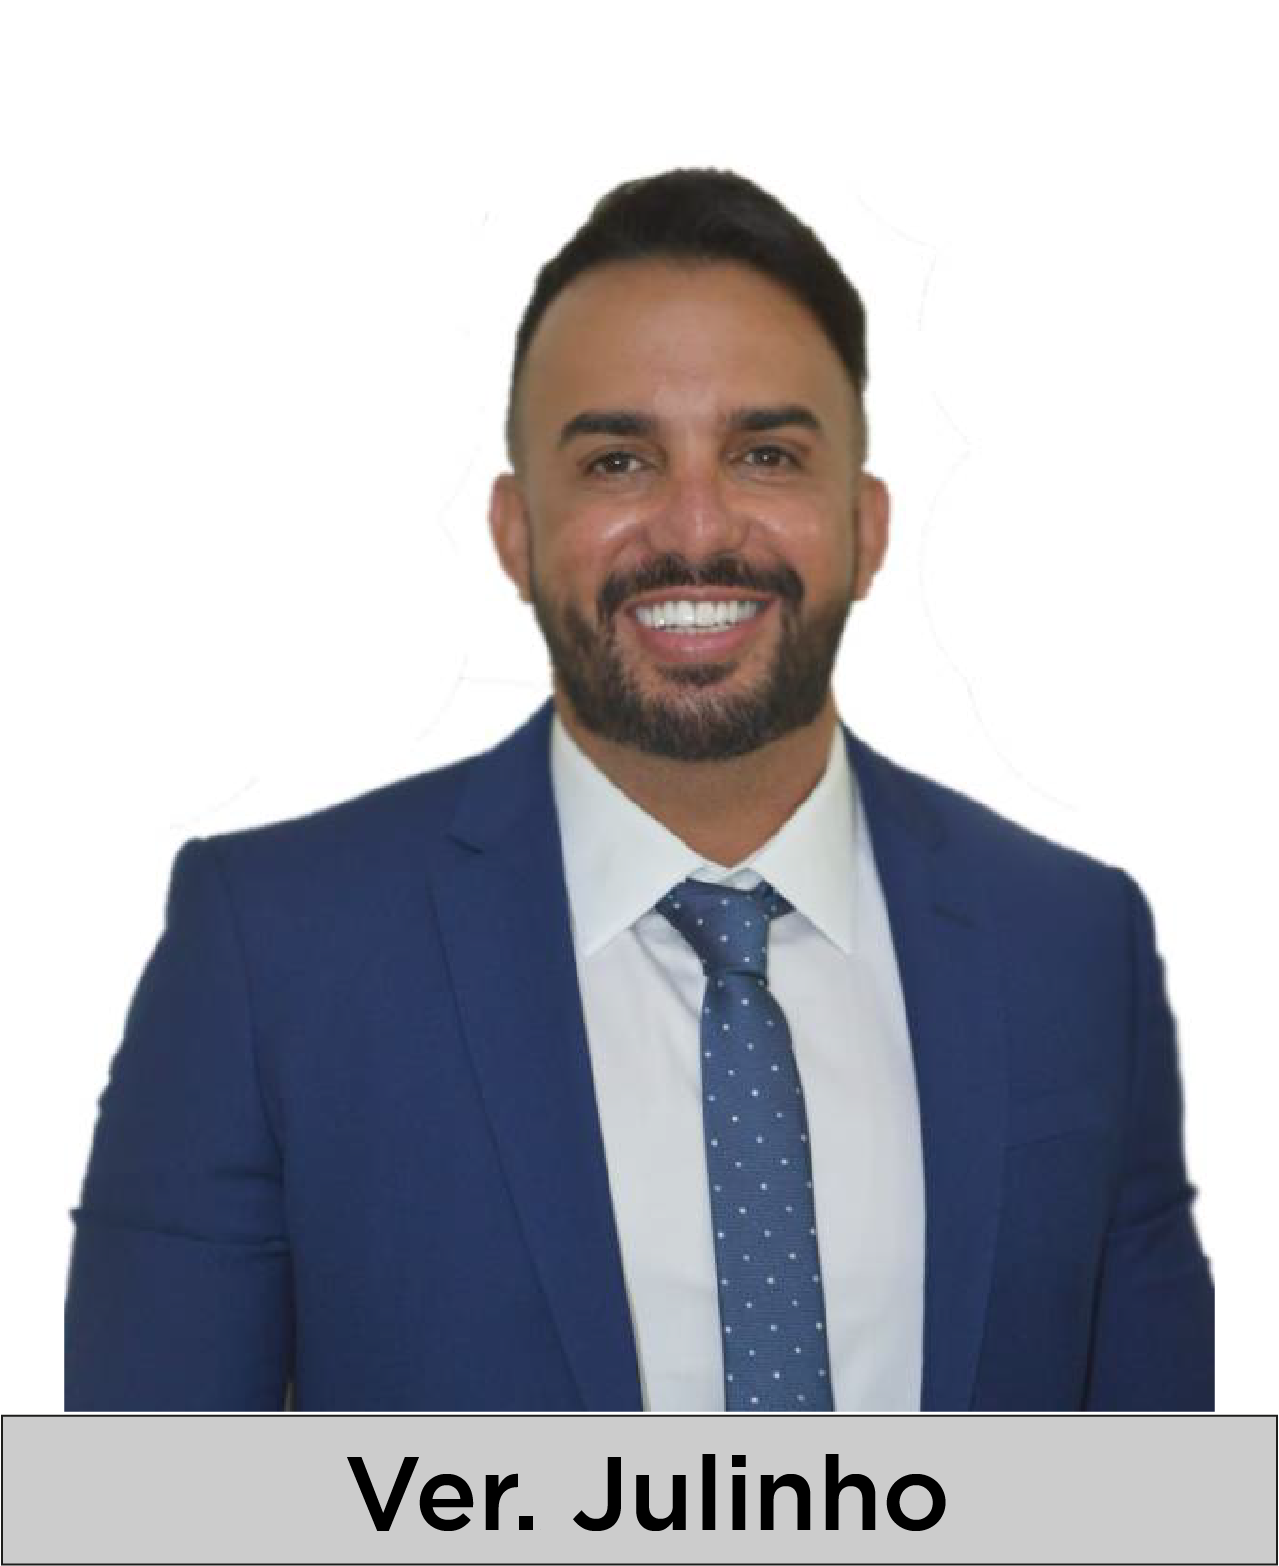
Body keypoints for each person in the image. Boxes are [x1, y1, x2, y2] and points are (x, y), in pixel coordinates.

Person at [64, 168, 1214, 1412]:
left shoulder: (1074, 946)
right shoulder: (271, 953)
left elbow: (1155, 1491)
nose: (696, 529)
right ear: (514, 531)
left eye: (765, 454)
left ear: (867, 526)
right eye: (618, 461)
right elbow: (149, 1497)